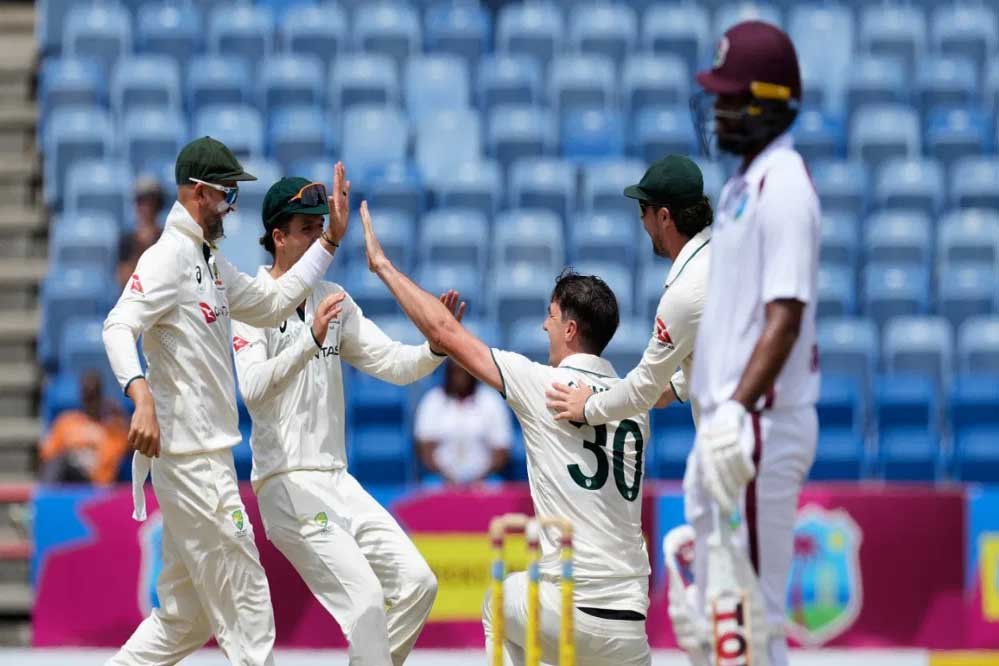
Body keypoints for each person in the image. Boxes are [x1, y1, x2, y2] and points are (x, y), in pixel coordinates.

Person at [359, 200, 653, 666]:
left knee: (499, 601)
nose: (543, 325)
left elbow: (445, 332)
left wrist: (383, 267)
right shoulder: (634, 406)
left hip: (568, 609)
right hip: (632, 624)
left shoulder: (543, 384)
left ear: (570, 329)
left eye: (551, 316)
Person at [102, 137, 348, 666]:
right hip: (192, 460)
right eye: (227, 194)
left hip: (203, 456)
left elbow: (271, 302)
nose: (232, 207)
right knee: (248, 602)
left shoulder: (209, 261)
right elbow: (118, 326)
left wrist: (328, 242)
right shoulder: (167, 258)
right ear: (199, 193)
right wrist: (140, 395)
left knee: (185, 618)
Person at [231, 176, 465, 666]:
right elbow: (251, 390)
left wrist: (434, 348)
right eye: (307, 230)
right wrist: (309, 341)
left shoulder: (333, 298)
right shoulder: (252, 303)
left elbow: (394, 363)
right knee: (365, 603)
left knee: (418, 584)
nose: (319, 239)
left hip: (338, 480)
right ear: (278, 236)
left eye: (321, 229)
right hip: (286, 483)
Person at [688, 21, 821, 666]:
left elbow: (785, 316)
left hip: (756, 426)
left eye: (730, 98)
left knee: (752, 619)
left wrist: (737, 410)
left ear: (767, 102)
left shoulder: (784, 183)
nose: (718, 111)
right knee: (713, 619)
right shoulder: (745, 182)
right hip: (728, 423)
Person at [544, 155, 711, 429]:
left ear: (664, 216)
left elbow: (644, 388)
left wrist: (587, 406)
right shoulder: (726, 255)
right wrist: (677, 385)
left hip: (736, 438)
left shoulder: (685, 291)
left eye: (643, 209)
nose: (642, 220)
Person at [414, 359, 513, 485]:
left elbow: (501, 449)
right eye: (455, 371)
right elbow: (425, 448)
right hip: (442, 480)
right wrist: (448, 477)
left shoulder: (491, 400)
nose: (460, 377)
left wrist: (479, 478)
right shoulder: (433, 400)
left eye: (464, 371)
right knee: (428, 488)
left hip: (484, 480)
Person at [39, 371, 129, 485]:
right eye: (87, 395)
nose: (90, 401)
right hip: (68, 478)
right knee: (58, 463)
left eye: (93, 395)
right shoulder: (67, 422)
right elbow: (48, 454)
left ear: (100, 396)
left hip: (95, 483)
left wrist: (121, 415)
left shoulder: (113, 428)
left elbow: (132, 446)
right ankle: (47, 494)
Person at [116, 176, 166, 287]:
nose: (146, 208)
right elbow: (123, 279)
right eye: (141, 202)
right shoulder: (127, 240)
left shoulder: (167, 239)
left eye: (151, 203)